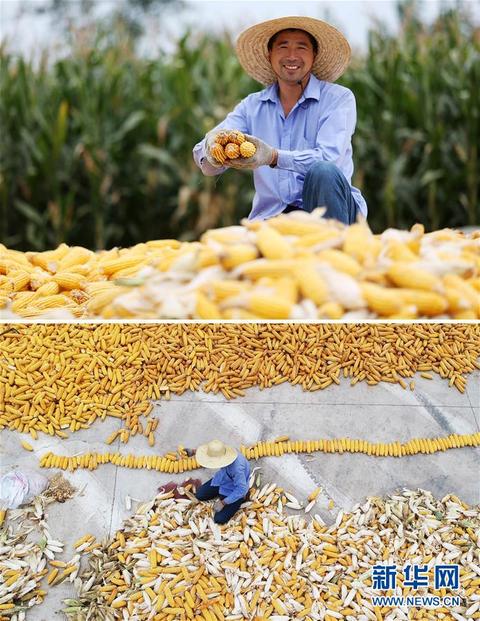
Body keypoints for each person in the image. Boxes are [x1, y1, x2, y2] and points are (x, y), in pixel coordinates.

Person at [193, 16, 367, 225]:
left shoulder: (338, 99)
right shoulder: (252, 106)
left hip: (329, 212)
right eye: (283, 47)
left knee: (323, 171)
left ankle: (336, 251)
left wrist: (274, 157)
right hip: (272, 218)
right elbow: (204, 159)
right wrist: (212, 152)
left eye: (301, 47)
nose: (292, 56)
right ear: (269, 55)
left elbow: (329, 159)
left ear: (314, 55)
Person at [195, 440, 250, 524]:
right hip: (223, 479)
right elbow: (206, 452)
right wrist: (193, 451)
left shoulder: (237, 469)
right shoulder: (221, 452)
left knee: (219, 519)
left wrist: (223, 502)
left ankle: (241, 499)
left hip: (235, 489)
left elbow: (241, 489)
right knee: (199, 495)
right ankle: (221, 493)